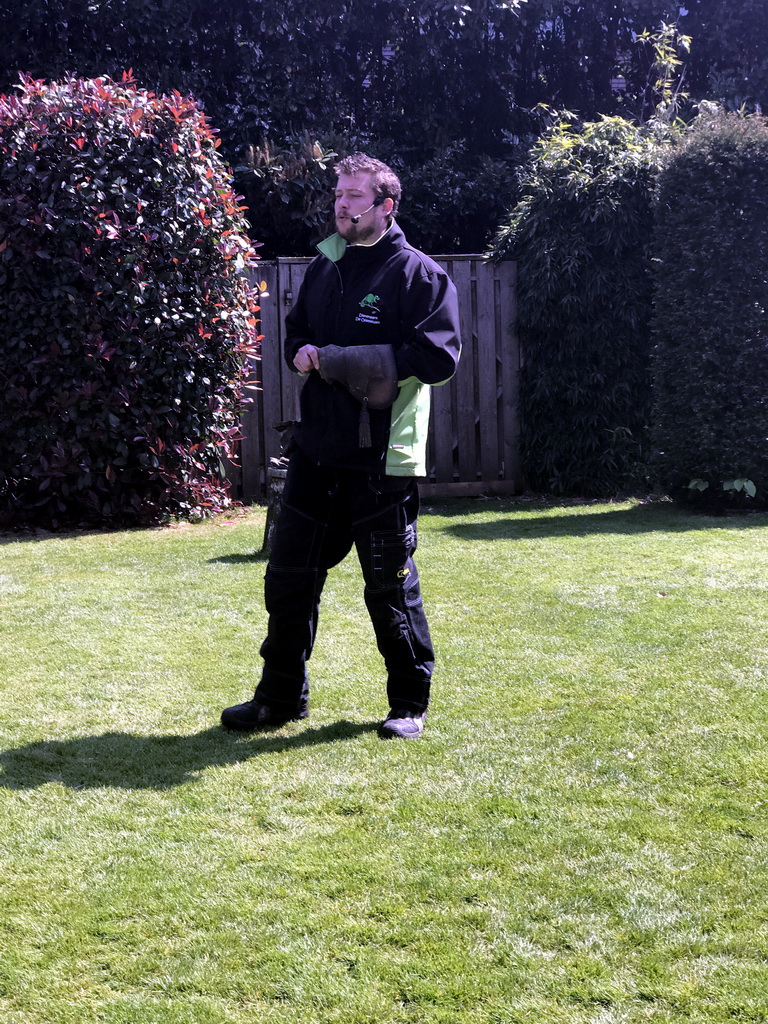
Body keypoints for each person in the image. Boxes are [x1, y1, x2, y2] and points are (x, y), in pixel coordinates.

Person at [221, 153, 461, 739]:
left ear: (386, 205)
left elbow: (439, 357)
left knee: (388, 585)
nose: (342, 205)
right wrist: (303, 352)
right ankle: (279, 698)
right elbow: (296, 334)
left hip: (380, 460)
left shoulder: (420, 277)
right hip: (316, 452)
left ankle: (408, 704)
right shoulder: (323, 268)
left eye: (355, 196)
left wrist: (348, 362)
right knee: (287, 578)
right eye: (339, 194)